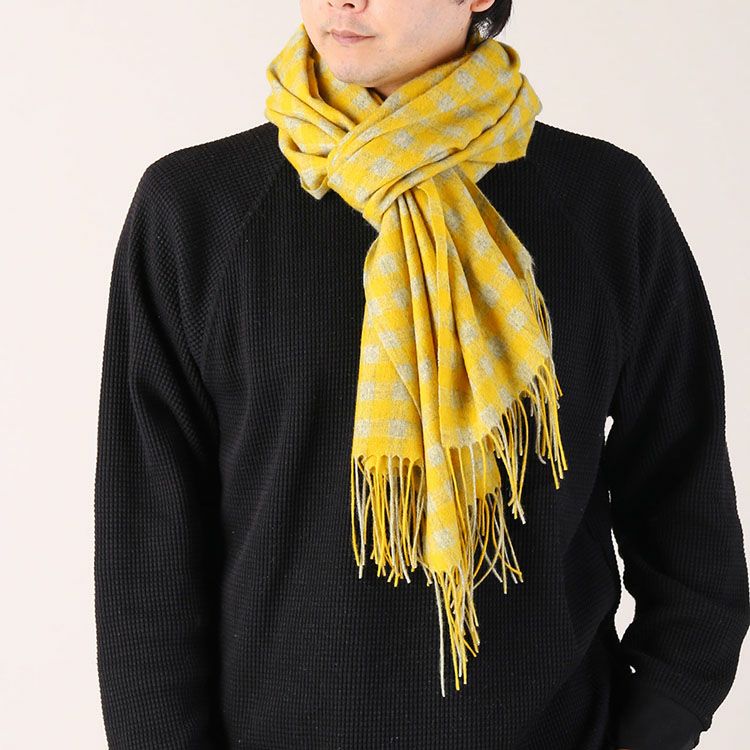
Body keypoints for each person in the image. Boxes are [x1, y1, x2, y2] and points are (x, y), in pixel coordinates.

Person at [93, 1, 750, 748]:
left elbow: (689, 523)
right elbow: (146, 560)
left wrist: (654, 729)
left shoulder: (604, 204)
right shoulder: (197, 211)